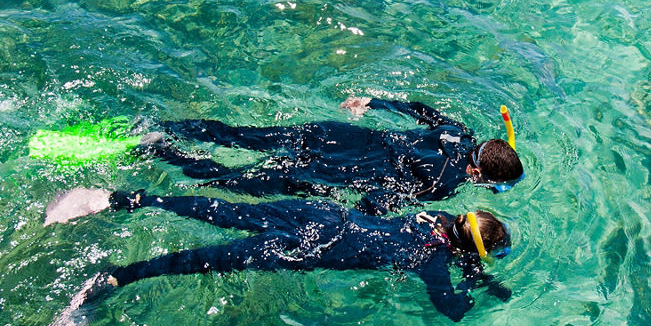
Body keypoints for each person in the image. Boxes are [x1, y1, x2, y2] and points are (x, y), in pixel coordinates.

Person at [36, 187, 513, 326]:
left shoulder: (430, 219)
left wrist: (473, 265)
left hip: (321, 215)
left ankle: (121, 199)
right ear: (468, 250)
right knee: (206, 261)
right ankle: (115, 279)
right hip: (310, 246)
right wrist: (478, 287)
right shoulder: (432, 260)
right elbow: (449, 308)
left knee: (221, 209)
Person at [142, 96, 524, 215]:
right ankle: (161, 151)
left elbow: (420, 109)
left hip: (333, 134)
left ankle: (166, 127)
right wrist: (346, 210)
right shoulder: (444, 184)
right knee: (233, 181)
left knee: (243, 137)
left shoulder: (458, 132)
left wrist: (372, 102)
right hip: (332, 170)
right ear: (477, 173)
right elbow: (379, 201)